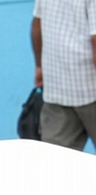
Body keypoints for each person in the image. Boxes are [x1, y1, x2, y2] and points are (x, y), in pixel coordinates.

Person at [31, 0, 96, 150]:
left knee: (57, 164)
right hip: (91, 87)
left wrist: (39, 67)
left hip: (57, 87)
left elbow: (37, 24)